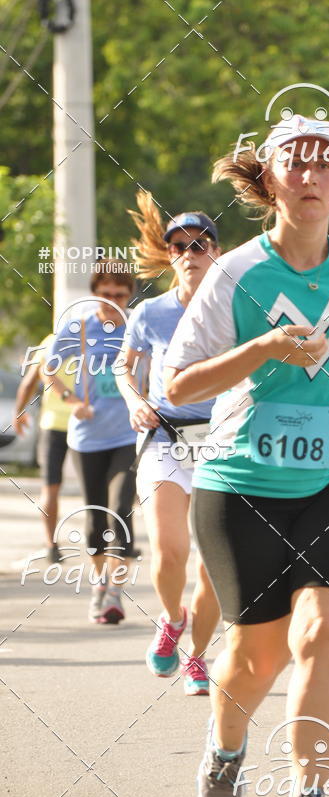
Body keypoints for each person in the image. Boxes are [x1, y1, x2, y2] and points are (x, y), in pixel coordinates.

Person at [163, 114, 329, 797]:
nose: (311, 175)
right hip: (242, 483)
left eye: (326, 163)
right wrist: (261, 348)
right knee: (255, 655)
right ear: (271, 180)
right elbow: (178, 383)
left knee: (328, 629)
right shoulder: (235, 273)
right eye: (295, 163)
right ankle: (226, 745)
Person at [115, 192, 221, 696]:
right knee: (170, 551)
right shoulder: (150, 312)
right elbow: (123, 365)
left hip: (223, 441)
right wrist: (136, 400)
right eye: (178, 246)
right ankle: (171, 617)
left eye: (200, 245)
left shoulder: (237, 308)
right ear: (169, 254)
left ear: (216, 253)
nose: (189, 253)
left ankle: (198, 658)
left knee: (213, 562)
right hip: (165, 437)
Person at [44, 260, 138, 624]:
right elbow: (48, 369)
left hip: (129, 434)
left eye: (120, 294)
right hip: (87, 438)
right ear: (94, 293)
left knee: (121, 509)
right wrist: (71, 403)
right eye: (106, 294)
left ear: (129, 295)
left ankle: (115, 592)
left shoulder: (136, 326)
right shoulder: (80, 327)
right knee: (96, 518)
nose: (112, 300)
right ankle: (100, 585)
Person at [12, 335, 74, 562]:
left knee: (50, 488)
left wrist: (19, 412)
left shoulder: (50, 342)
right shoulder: (96, 340)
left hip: (53, 425)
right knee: (95, 485)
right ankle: (104, 540)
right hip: (86, 424)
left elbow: (29, 382)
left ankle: (51, 545)